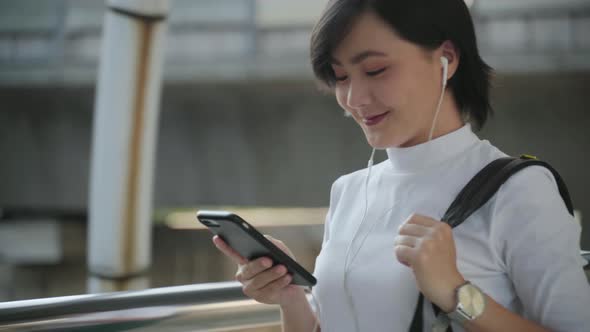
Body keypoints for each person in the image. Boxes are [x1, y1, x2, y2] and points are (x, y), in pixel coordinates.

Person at [213, 0, 590, 331]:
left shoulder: (519, 190)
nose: (354, 98)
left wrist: (457, 293)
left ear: (448, 58)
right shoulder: (349, 191)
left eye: (375, 70)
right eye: (340, 76)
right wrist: (291, 296)